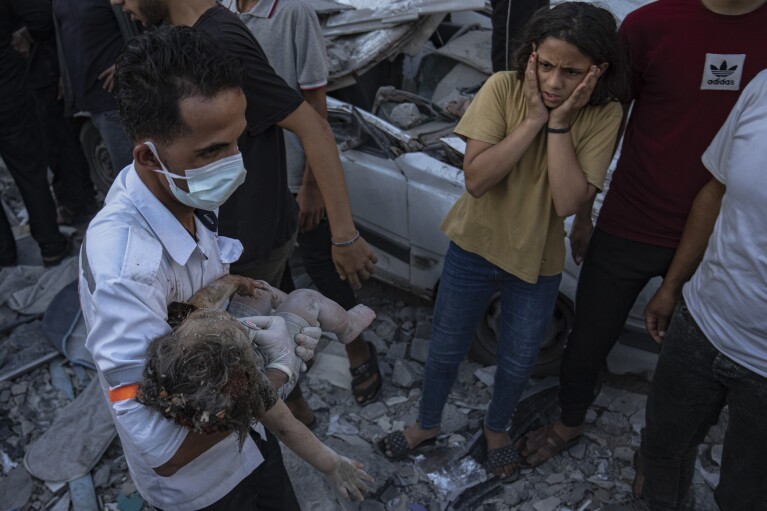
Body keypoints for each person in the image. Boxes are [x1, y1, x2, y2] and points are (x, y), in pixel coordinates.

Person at [378, 2, 629, 480]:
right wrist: (534, 120)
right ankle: (427, 424)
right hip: (472, 247)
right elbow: (477, 179)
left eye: (571, 72)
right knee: (446, 349)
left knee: (517, 361)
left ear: (597, 72)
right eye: (548, 66)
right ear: (532, 56)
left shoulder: (603, 114)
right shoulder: (503, 88)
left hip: (536, 259)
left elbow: (566, 200)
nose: (554, 84)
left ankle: (497, 430)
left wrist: (557, 125)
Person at [79, 26, 321, 510]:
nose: (234, 163)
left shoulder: (179, 189)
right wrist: (276, 372)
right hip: (202, 486)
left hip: (247, 442)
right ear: (147, 155)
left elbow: (196, 314)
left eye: (238, 140)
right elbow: (163, 450)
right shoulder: (127, 272)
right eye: (212, 151)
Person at [518, 0, 767, 468]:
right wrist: (586, 213)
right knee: (588, 338)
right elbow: (609, 122)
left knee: (687, 370)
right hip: (631, 218)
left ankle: (663, 467)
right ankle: (569, 422)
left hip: (719, 236)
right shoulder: (651, 25)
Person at [111, 0, 377, 293]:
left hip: (246, 237)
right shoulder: (188, 36)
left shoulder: (221, 42)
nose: (116, 3)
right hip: (228, 233)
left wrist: (344, 235)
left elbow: (315, 127)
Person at [223, 0, 382, 421]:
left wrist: (313, 184)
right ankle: (291, 388)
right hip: (257, 175)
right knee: (274, 281)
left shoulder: (293, 12)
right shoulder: (221, 11)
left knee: (322, 264)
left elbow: (316, 104)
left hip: (297, 167)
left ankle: (356, 342)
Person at [637, 69, 767, 511]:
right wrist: (673, 285)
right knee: (661, 450)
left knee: (745, 495)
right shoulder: (763, 86)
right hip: (702, 322)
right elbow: (714, 191)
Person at [138, 282, 375, 502]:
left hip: (222, 353)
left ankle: (290, 309)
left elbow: (204, 312)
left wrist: (234, 285)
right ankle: (346, 326)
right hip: (270, 360)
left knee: (255, 291)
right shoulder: (255, 388)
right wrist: (332, 466)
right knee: (306, 299)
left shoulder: (172, 365)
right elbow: (288, 428)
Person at [0, 0, 70, 267]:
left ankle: (4, 254)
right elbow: (40, 16)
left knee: (29, 167)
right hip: (7, 87)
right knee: (29, 169)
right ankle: (50, 245)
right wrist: (27, 36)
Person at [53, 0, 138, 177]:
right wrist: (65, 75)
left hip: (115, 102)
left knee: (131, 179)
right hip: (89, 104)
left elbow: (147, 26)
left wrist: (129, 62)